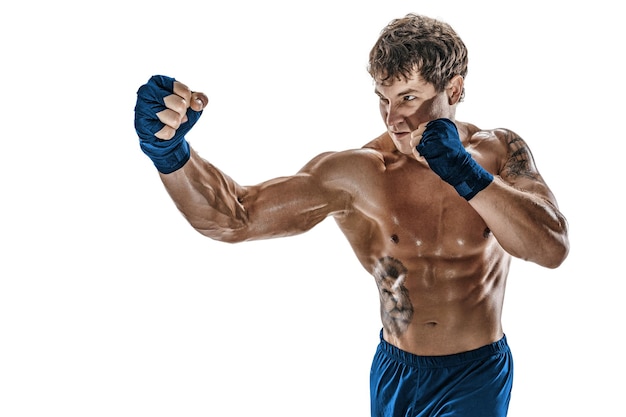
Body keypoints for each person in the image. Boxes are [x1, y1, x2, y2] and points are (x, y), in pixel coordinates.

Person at [133, 13, 569, 417]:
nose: (393, 117)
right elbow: (236, 218)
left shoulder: (497, 152)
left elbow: (551, 248)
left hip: (475, 373)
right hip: (395, 369)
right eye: (383, 99)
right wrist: (170, 154)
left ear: (453, 91)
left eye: (408, 97)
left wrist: (465, 175)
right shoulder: (361, 173)